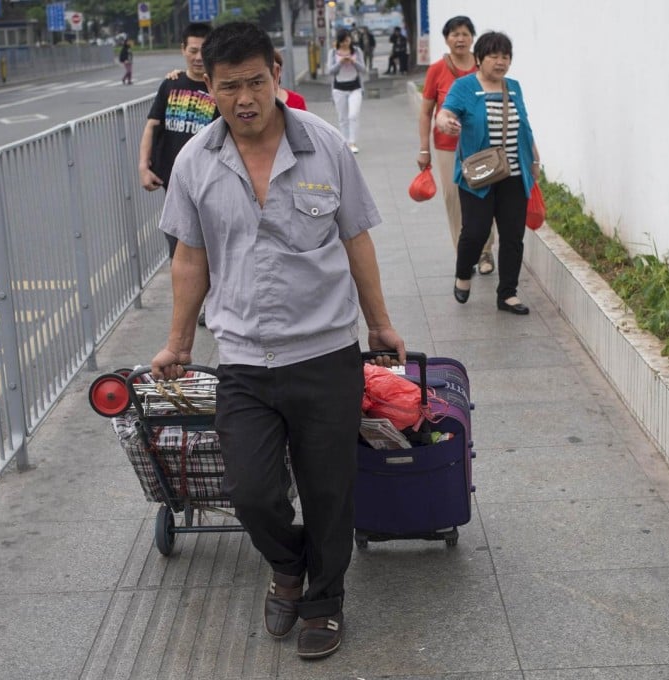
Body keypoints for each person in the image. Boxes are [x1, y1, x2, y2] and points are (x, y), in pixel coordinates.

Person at [150, 21, 405, 660]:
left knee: (328, 489)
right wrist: (179, 344)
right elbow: (189, 258)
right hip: (241, 357)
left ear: (276, 77)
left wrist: (380, 324)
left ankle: (324, 600)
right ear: (208, 87)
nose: (244, 99)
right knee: (252, 493)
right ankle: (286, 565)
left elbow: (356, 240)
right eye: (229, 86)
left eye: (255, 83)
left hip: (324, 352)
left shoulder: (324, 147)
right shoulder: (193, 162)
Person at [436, 31, 541, 313]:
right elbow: (445, 113)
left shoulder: (514, 87)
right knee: (475, 232)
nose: (500, 62)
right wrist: (445, 122)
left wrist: (535, 160)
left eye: (505, 56)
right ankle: (462, 274)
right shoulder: (464, 87)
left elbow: (524, 126)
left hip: (514, 175)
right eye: (494, 56)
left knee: (512, 236)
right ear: (479, 58)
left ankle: (507, 294)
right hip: (478, 175)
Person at [418, 15, 494, 275]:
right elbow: (426, 111)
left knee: (485, 195)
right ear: (446, 39)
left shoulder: (484, 65)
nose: (460, 38)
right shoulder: (436, 70)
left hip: (482, 144)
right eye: (454, 34)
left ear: (472, 37)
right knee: (454, 200)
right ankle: (465, 255)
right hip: (447, 146)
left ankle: (486, 252)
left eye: (464, 33)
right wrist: (424, 148)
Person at [138, 22, 217, 259]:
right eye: (192, 50)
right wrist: (143, 166)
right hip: (173, 181)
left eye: (204, 50)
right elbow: (152, 125)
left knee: (211, 246)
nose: (198, 57)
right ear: (183, 49)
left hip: (209, 180)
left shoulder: (219, 85)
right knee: (179, 246)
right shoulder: (171, 84)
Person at [327, 29, 366, 153]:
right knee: (342, 118)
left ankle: (352, 142)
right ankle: (345, 143)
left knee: (353, 115)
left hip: (355, 87)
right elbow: (330, 71)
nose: (345, 43)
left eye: (347, 40)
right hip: (339, 89)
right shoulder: (333, 53)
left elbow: (363, 69)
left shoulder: (357, 51)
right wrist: (340, 62)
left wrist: (354, 61)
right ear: (339, 41)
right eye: (343, 41)